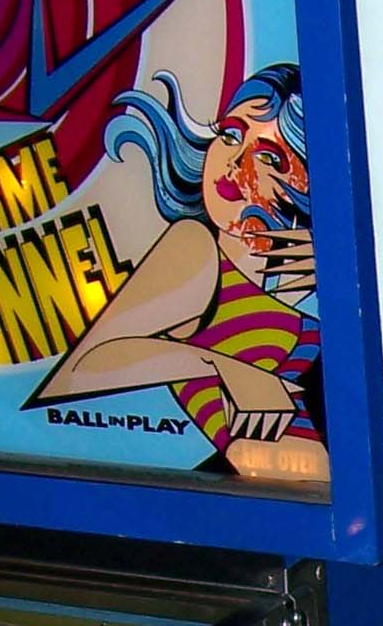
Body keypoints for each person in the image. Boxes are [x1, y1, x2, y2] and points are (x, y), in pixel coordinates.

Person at [30, 63, 326, 477]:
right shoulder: (195, 246)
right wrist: (228, 368)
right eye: (230, 135)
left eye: (268, 157)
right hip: (243, 490)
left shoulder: (314, 268)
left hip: (318, 485)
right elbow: (80, 369)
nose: (234, 164)